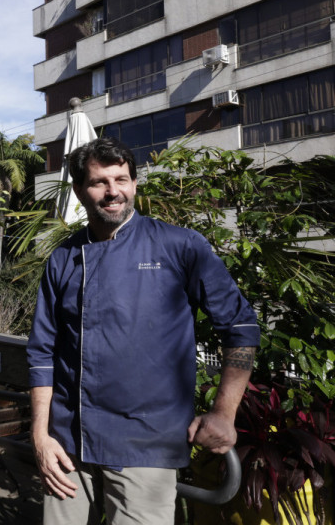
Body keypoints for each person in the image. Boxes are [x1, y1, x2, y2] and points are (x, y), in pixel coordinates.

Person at [27, 137, 259, 525]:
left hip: (145, 444)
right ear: (80, 190)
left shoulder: (179, 245)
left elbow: (240, 327)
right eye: (100, 182)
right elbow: (41, 352)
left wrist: (223, 412)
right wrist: (40, 435)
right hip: (67, 444)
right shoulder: (63, 258)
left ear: (135, 183)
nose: (113, 191)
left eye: (121, 179)